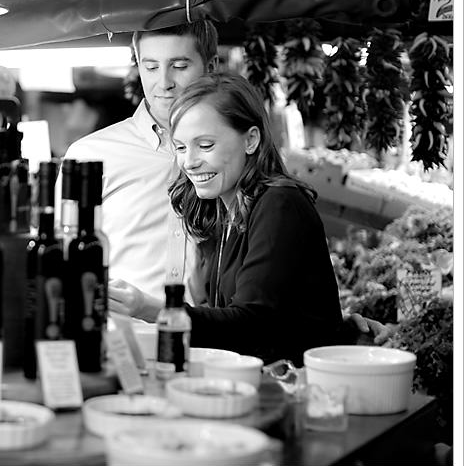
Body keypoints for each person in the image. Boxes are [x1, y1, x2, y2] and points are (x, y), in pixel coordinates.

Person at [114, 72, 358, 364]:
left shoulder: (280, 204)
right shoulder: (222, 208)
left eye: (205, 145)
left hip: (298, 391)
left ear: (251, 140)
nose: (189, 162)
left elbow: (252, 324)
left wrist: (150, 308)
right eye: (180, 147)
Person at [60, 22, 218, 303]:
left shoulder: (233, 154)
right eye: (151, 66)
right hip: (120, 336)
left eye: (179, 66)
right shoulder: (91, 155)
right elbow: (62, 259)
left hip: (206, 338)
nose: (164, 82)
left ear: (211, 66)